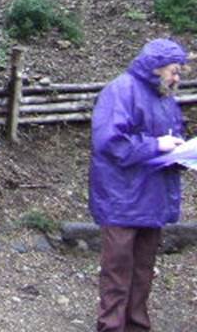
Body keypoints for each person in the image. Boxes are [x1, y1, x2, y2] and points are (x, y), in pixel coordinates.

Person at [89, 38, 189, 332]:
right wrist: (157, 145)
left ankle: (136, 325)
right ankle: (111, 326)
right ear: (156, 68)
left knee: (143, 270)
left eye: (179, 72)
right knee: (117, 270)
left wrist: (180, 155)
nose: (177, 78)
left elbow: (168, 139)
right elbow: (110, 143)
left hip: (153, 195)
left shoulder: (164, 97)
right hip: (122, 196)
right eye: (174, 71)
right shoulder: (120, 91)